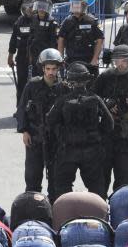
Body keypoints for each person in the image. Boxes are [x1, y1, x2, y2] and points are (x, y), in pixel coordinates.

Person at [47, 62, 114, 199]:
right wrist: (97, 134)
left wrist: (61, 132)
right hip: (92, 150)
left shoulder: (63, 101)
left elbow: (50, 121)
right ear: (87, 80)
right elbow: (109, 123)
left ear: (69, 81)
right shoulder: (96, 99)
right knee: (97, 189)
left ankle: (63, 216)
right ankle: (99, 216)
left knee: (62, 188)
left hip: (67, 151)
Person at [93, 45, 128, 193]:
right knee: (100, 179)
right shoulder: (105, 77)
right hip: (106, 135)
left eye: (124, 60)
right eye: (117, 60)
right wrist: (105, 103)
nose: (120, 64)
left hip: (127, 136)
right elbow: (92, 100)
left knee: (123, 181)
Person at [16, 48, 69, 199]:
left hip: (56, 141)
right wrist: (24, 131)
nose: (51, 72)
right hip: (35, 138)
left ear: (59, 68)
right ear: (43, 69)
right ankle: (33, 210)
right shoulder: (32, 86)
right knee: (32, 179)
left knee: (56, 182)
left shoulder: (64, 88)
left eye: (54, 69)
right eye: (48, 69)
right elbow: (21, 110)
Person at [57, 0, 104, 78]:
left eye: (78, 5)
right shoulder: (67, 22)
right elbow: (61, 40)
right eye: (74, 5)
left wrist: (95, 59)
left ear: (84, 7)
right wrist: (60, 58)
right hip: (71, 60)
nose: (76, 8)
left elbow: (100, 39)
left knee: (91, 85)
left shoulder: (92, 21)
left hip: (89, 60)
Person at [9, 0, 37, 104]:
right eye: (27, 7)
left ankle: (35, 108)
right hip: (22, 58)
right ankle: (20, 108)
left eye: (32, 7)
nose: (30, 9)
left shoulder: (40, 21)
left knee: (36, 84)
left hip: (37, 58)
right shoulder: (19, 22)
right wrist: (10, 56)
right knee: (21, 84)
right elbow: (13, 40)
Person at [28, 0, 58, 77]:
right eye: (39, 6)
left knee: (46, 76)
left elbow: (53, 42)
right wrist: (29, 55)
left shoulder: (51, 22)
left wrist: (52, 58)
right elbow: (30, 38)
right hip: (35, 53)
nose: (41, 9)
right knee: (35, 77)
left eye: (44, 7)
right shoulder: (34, 19)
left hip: (46, 54)